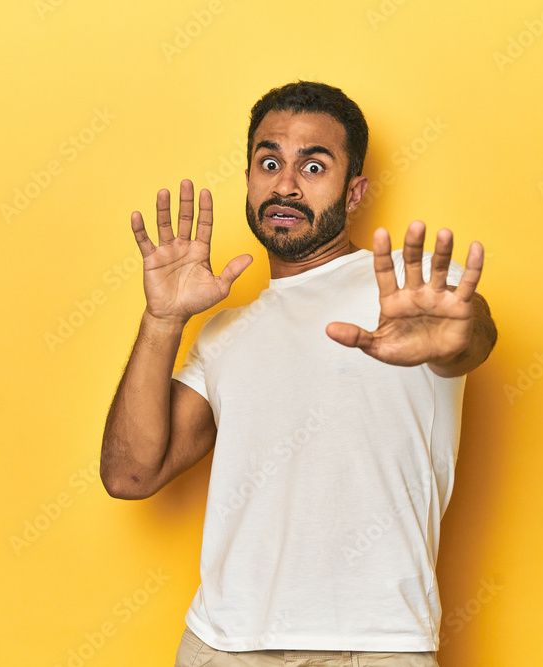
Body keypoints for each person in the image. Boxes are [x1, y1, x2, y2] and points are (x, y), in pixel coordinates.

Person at [100, 81, 497, 666]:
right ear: (249, 179)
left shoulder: (410, 294)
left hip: (377, 646)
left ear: (355, 191)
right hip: (224, 646)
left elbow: (468, 338)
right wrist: (163, 320)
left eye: (314, 165)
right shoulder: (224, 333)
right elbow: (130, 475)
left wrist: (460, 337)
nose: (285, 183)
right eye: (269, 162)